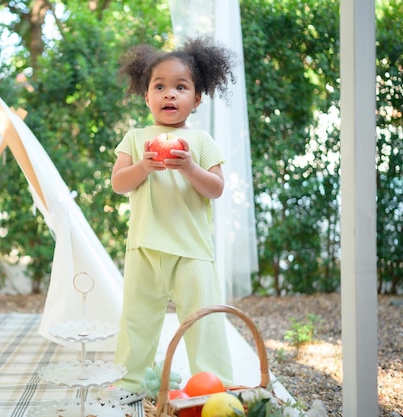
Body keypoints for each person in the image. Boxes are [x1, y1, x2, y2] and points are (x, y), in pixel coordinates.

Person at [99, 36, 237, 404]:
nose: (169, 95)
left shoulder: (202, 141)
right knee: (137, 320)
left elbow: (216, 188)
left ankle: (215, 386)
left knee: (204, 320)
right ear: (146, 97)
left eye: (181, 87)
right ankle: (128, 382)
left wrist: (190, 166)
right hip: (145, 245)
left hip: (192, 251)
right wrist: (144, 165)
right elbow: (118, 183)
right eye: (159, 87)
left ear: (197, 98)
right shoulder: (136, 138)